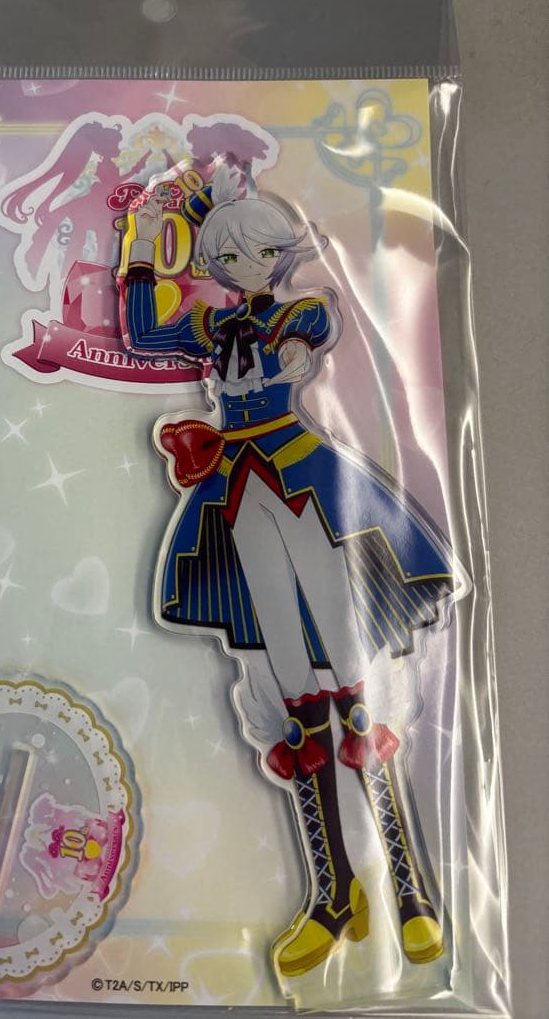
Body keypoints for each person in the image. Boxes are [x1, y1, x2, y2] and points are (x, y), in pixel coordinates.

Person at [120, 165, 462, 979]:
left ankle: (410, 886)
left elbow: (312, 330)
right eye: (227, 255)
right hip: (236, 487)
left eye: (256, 251)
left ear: (275, 255)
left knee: (350, 677)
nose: (240, 265)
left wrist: (287, 348)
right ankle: (334, 893)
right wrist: (139, 248)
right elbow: (144, 332)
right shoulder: (210, 327)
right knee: (287, 688)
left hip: (299, 473)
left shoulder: (297, 313)